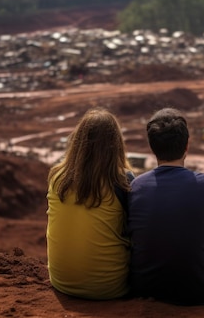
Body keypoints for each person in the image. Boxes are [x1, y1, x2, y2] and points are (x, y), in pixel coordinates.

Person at [128, 107, 204, 305]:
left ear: (152, 146)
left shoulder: (136, 185)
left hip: (146, 287)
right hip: (203, 290)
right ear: (187, 145)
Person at [46, 107, 134, 300]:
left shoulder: (57, 177)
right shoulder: (121, 180)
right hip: (110, 287)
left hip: (61, 281)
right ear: (116, 144)